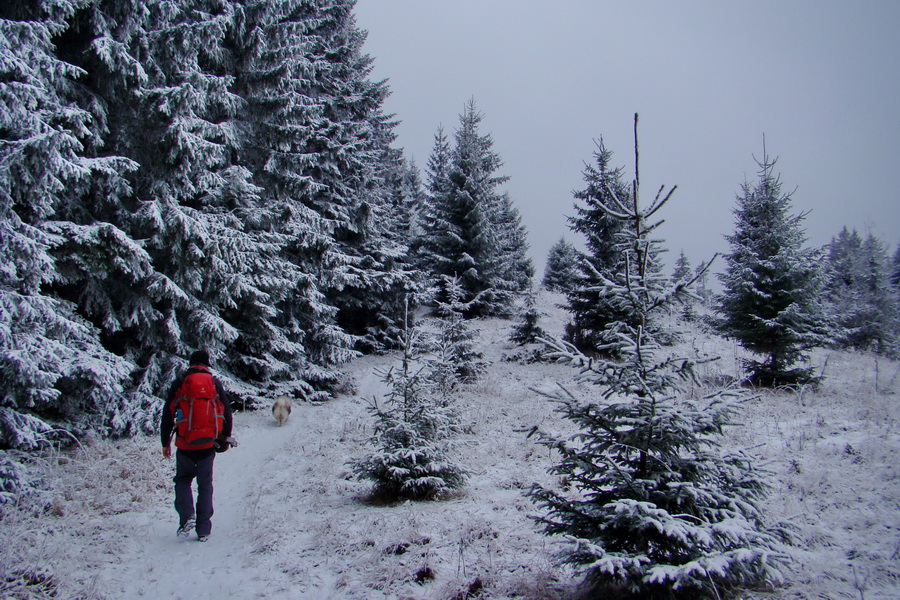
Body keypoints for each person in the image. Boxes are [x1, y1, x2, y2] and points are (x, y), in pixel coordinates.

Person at [160, 350, 233, 542]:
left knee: (183, 480)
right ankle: (203, 530)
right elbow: (226, 411)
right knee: (205, 485)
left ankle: (186, 517)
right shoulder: (214, 383)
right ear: (207, 364)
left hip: (185, 444)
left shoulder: (181, 382)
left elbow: (167, 414)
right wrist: (225, 438)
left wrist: (165, 442)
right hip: (208, 445)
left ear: (190, 363)